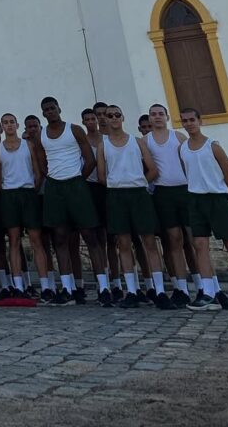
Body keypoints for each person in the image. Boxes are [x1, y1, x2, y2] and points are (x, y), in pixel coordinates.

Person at [97, 105, 173, 310]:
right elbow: (102, 175)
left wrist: (138, 182)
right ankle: (131, 290)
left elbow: (153, 169)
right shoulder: (104, 146)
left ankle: (159, 291)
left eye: (116, 115)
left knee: (148, 241)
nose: (113, 118)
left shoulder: (137, 142)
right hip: (116, 195)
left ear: (123, 117)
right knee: (123, 243)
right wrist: (117, 184)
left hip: (139, 194)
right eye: (109, 115)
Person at [35, 96, 109, 306]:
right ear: (43, 113)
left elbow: (90, 160)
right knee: (59, 237)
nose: (50, 112)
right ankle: (67, 288)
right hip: (55, 187)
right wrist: (54, 178)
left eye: (52, 108)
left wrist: (77, 179)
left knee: (90, 235)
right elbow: (42, 163)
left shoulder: (74, 130)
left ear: (59, 108)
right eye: (46, 110)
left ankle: (103, 287)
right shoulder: (42, 135)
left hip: (76, 184)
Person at [180, 108, 228, 312]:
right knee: (200, 245)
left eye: (192, 119)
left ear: (200, 121)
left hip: (217, 198)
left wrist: (218, 189)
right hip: (196, 199)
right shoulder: (183, 148)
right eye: (185, 120)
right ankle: (208, 293)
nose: (189, 123)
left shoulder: (212, 146)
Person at [0, 113, 52, 301]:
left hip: (28, 193)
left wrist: (31, 189)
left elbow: (37, 172)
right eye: (6, 123)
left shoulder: (28, 146)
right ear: (2, 126)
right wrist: (6, 191)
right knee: (13, 240)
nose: (9, 125)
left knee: (36, 240)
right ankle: (18, 285)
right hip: (9, 194)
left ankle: (45, 286)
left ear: (18, 125)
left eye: (12, 122)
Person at [145, 103, 192, 306]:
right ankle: (181, 288)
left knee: (194, 239)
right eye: (153, 114)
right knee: (174, 239)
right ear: (149, 118)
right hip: (163, 192)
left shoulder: (179, 138)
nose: (157, 117)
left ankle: (205, 285)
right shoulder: (145, 142)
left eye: (160, 114)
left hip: (184, 190)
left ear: (167, 116)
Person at [81, 106, 120, 302]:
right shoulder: (83, 141)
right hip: (90, 189)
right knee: (95, 238)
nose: (97, 120)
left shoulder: (109, 141)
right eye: (94, 117)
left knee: (112, 239)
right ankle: (102, 282)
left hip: (109, 188)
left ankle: (117, 281)